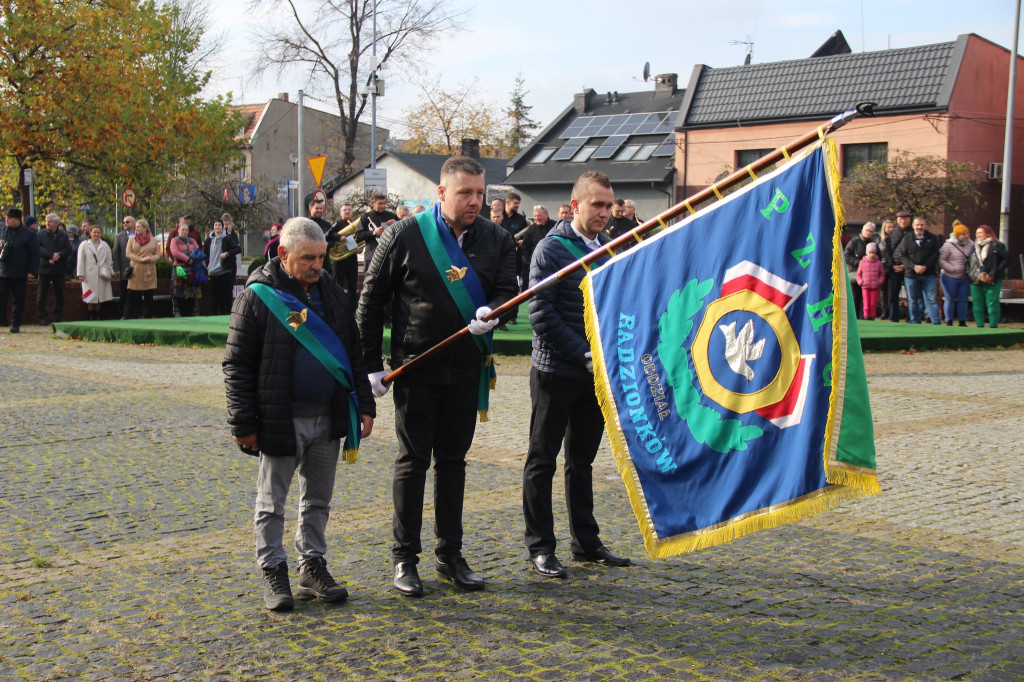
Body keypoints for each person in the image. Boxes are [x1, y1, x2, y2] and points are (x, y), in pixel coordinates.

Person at [358, 156, 517, 597]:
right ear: (442, 193)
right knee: (412, 463)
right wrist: (371, 364)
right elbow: (370, 303)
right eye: (465, 193)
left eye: (481, 193)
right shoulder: (403, 234)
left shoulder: (497, 237)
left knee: (453, 464)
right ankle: (405, 559)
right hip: (416, 369)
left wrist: (496, 312)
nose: (475, 201)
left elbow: (509, 292)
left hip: (467, 369)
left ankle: (450, 555)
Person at [224, 217, 375, 612]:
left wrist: (366, 405)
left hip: (328, 417)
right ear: (283, 254)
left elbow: (352, 353)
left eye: (322, 257)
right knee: (271, 502)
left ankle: (312, 566)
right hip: (279, 418)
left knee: (318, 500)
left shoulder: (333, 292)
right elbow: (237, 364)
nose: (317, 265)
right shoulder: (256, 296)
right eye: (308, 258)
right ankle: (274, 570)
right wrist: (243, 422)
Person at [523, 171, 630, 579]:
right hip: (555, 371)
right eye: (598, 204)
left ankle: (585, 541)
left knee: (581, 460)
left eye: (609, 205)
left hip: (594, 375)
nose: (605, 212)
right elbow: (541, 314)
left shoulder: (609, 248)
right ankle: (541, 547)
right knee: (542, 460)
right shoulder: (550, 249)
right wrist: (583, 353)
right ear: (576, 205)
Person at [0, 208, 40, 332]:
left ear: (17, 219)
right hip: (3, 270)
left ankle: (15, 323)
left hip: (20, 271)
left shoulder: (29, 233)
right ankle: (2, 321)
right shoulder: (3, 230)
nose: (6, 220)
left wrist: (32, 271)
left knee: (18, 299)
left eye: (9, 218)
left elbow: (35, 253)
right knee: (1, 297)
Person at [899, 216, 942, 325]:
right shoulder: (907, 238)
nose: (919, 227)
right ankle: (915, 323)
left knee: (931, 299)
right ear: (913, 226)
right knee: (913, 300)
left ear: (925, 226)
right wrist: (914, 267)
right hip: (911, 275)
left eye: (921, 225)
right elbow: (902, 256)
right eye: (917, 225)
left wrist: (925, 266)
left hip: (929, 274)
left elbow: (936, 254)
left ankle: (936, 323)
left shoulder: (932, 238)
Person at [968, 224, 1008, 328]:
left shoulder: (998, 245)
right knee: (977, 303)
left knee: (992, 303)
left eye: (980, 233)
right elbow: (968, 263)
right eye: (976, 233)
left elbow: (1005, 260)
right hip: (976, 280)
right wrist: (972, 274)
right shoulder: (973, 247)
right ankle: (979, 326)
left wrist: (993, 274)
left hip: (993, 279)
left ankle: (993, 326)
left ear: (988, 233)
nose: (978, 235)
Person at [36, 213, 72, 324]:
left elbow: (68, 249)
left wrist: (58, 256)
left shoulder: (63, 235)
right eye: (46, 221)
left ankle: (59, 316)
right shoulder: (40, 234)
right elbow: (37, 248)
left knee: (59, 294)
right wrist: (50, 255)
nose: (47, 223)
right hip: (44, 268)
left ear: (56, 223)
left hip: (58, 268)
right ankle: (41, 317)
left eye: (50, 221)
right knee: (42, 294)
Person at [354, 194, 398, 278]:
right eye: (380, 203)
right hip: (371, 255)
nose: (383, 206)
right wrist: (374, 233)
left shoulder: (391, 216)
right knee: (370, 281)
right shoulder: (366, 217)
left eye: (384, 203)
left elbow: (401, 232)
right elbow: (358, 236)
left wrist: (396, 224)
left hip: (388, 255)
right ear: (372, 203)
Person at [939, 221, 973, 327]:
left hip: (965, 276)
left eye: (967, 233)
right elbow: (941, 260)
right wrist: (952, 268)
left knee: (963, 299)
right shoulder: (948, 245)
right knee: (950, 298)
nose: (966, 236)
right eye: (963, 234)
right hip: (949, 276)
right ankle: (949, 320)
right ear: (957, 235)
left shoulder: (971, 244)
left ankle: (962, 321)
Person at [76, 224, 114, 321]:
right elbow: (80, 260)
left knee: (100, 295)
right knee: (89, 296)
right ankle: (90, 314)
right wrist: (81, 274)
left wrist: (110, 271)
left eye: (98, 232)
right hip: (89, 275)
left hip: (101, 274)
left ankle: (97, 315)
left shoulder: (105, 245)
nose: (96, 234)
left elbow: (109, 260)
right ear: (90, 233)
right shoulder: (84, 245)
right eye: (94, 232)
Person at [124, 219, 159, 319]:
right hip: (136, 270)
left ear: (145, 228)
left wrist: (150, 259)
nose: (137, 229)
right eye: (136, 227)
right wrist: (140, 259)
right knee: (131, 294)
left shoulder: (153, 240)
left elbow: (157, 255)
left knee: (148, 295)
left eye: (139, 227)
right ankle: (127, 316)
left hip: (149, 270)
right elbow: (128, 253)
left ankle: (147, 316)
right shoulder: (132, 239)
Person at [328, 204, 360, 310]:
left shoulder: (354, 224)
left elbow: (355, 239)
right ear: (340, 213)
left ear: (352, 212)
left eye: (349, 210)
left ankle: (352, 309)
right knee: (338, 284)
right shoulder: (336, 224)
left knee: (353, 285)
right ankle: (337, 308)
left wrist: (358, 247)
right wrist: (339, 237)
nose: (347, 211)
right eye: (344, 210)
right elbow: (328, 234)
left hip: (351, 258)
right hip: (339, 260)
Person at [205, 219, 240, 315]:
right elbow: (206, 254)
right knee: (214, 299)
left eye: (219, 225)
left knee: (226, 298)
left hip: (225, 272)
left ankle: (227, 316)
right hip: (213, 273)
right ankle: (214, 318)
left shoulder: (227, 239)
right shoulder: (209, 240)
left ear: (222, 227)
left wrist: (227, 254)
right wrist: (208, 266)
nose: (217, 227)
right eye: (215, 225)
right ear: (213, 227)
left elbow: (237, 249)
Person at [169, 222, 202, 317]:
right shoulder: (174, 240)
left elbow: (198, 251)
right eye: (182, 229)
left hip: (192, 269)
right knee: (177, 292)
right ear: (178, 230)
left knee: (193, 291)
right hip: (179, 268)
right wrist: (188, 259)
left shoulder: (192, 240)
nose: (184, 231)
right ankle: (177, 312)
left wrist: (193, 259)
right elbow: (175, 252)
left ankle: (195, 312)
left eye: (186, 230)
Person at [844, 222, 876, 319]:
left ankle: (864, 316)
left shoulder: (873, 244)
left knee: (866, 298)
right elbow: (846, 255)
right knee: (856, 297)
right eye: (867, 230)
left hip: (869, 276)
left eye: (871, 231)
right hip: (855, 273)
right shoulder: (853, 242)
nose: (869, 233)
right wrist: (858, 262)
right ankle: (855, 317)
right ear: (862, 230)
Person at [518, 206, 557, 283]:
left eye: (539, 216)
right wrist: (530, 262)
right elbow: (525, 248)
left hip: (552, 264)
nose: (536, 218)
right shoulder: (531, 229)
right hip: (534, 265)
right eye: (535, 216)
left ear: (546, 215)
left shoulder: (554, 227)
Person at [886, 211, 911, 321]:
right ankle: (894, 317)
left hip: (909, 269)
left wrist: (906, 265)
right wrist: (892, 266)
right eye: (901, 218)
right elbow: (887, 252)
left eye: (905, 218)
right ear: (897, 220)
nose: (903, 221)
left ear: (909, 220)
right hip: (894, 269)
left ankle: (911, 317)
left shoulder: (912, 233)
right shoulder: (892, 234)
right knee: (894, 295)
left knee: (911, 295)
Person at [855, 242, 886, 321]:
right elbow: (858, 274)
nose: (871, 254)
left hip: (875, 286)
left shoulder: (878, 263)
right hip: (865, 286)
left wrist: (879, 282)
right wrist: (860, 282)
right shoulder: (862, 262)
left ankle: (872, 316)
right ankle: (866, 315)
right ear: (867, 252)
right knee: (866, 303)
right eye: (870, 252)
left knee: (873, 303)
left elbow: (882, 274)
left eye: (873, 253)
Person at [113, 216, 136, 319]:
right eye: (123, 222)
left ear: (134, 223)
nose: (125, 224)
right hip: (124, 269)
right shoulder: (119, 237)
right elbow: (116, 253)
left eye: (127, 222)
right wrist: (117, 268)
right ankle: (123, 313)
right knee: (124, 292)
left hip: (137, 269)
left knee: (136, 293)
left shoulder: (139, 235)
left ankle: (135, 313)